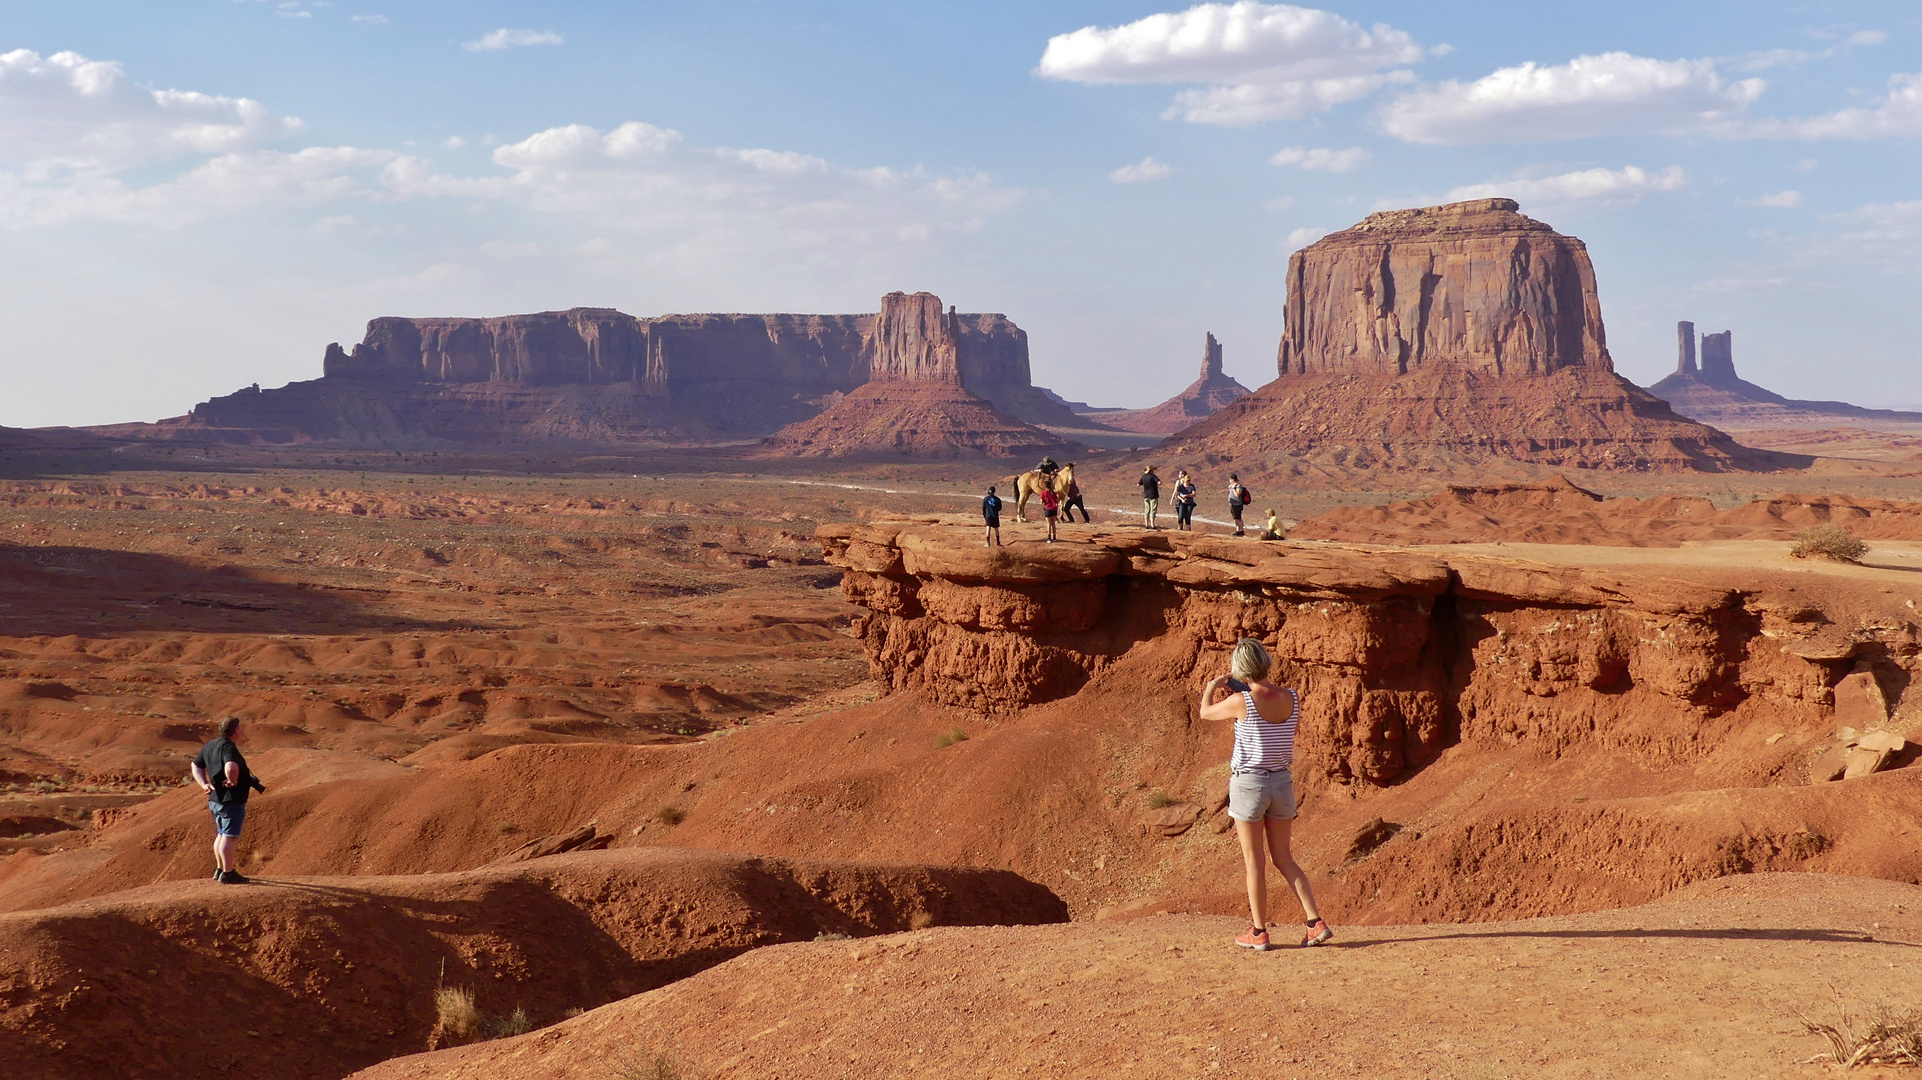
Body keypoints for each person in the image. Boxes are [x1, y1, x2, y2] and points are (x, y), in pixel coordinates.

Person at [1198, 639, 1331, 951]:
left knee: (1254, 862)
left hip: (1250, 785)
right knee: (1284, 857)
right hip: (1282, 783)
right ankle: (1315, 923)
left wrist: (1211, 686)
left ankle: (1258, 932)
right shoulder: (1292, 697)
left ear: (1240, 669)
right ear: (1266, 663)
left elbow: (1205, 713)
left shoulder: (1241, 700)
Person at [191, 716, 265, 884]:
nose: (241, 730)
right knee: (230, 836)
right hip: (230, 800)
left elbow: (195, 765)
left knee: (222, 834)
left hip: (215, 799)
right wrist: (233, 780)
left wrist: (204, 784)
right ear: (235, 731)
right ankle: (228, 873)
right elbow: (230, 766)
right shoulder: (228, 747)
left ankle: (219, 870)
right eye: (240, 727)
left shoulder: (210, 745)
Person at [1139, 465, 1161, 529]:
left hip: (1146, 495)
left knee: (1147, 510)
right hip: (1153, 495)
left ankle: (1146, 525)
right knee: (1153, 510)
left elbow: (1138, 484)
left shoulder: (1143, 477)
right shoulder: (1153, 476)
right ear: (1151, 470)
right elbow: (1159, 482)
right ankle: (1152, 525)